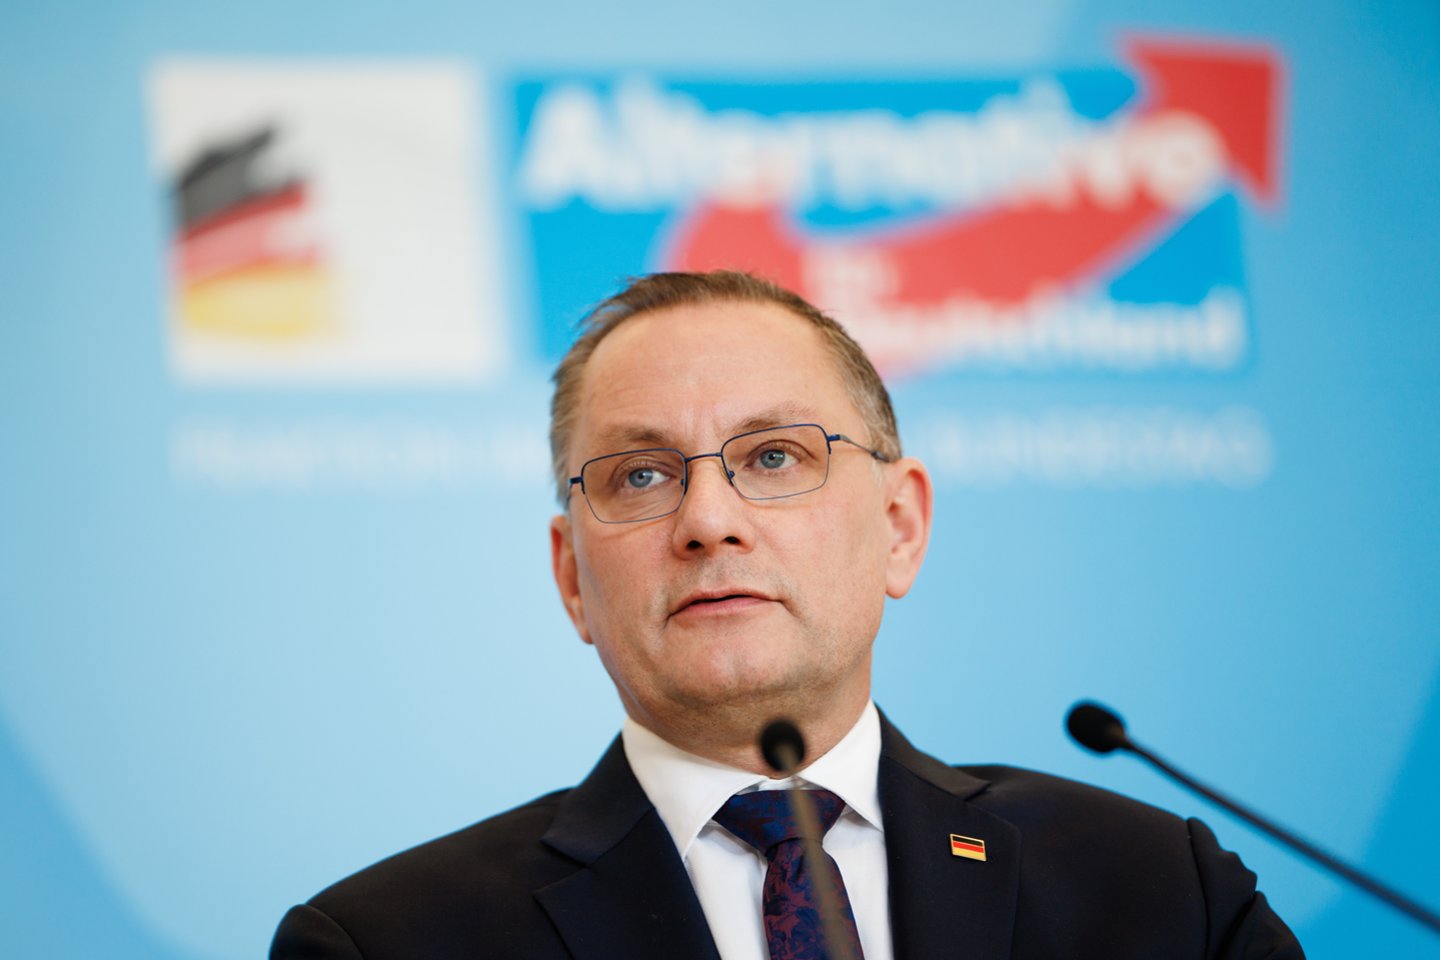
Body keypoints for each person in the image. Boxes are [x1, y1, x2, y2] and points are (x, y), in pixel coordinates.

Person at [271, 271, 1303, 959]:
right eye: (640, 476)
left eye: (774, 457)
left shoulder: (1161, 895)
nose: (707, 521)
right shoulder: (385, 943)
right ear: (572, 578)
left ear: (899, 526)